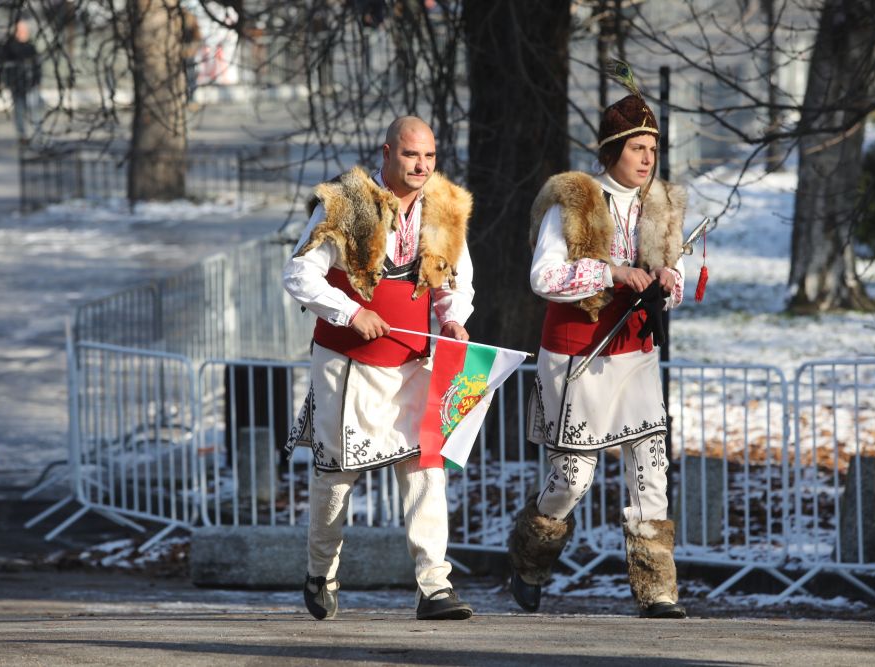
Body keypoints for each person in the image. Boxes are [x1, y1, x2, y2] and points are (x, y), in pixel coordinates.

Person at [507, 83, 689, 619]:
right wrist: (611, 272)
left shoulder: (661, 207)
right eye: (638, 148)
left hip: (636, 352)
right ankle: (529, 559)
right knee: (573, 478)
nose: (648, 159)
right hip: (579, 354)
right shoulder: (575, 202)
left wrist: (664, 279)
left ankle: (657, 590)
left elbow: (681, 283)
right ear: (612, 150)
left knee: (650, 469)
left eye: (653, 150)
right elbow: (543, 276)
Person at [283, 116, 475, 621]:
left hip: (415, 362)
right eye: (412, 155)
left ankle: (434, 587)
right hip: (347, 363)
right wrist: (351, 311)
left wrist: (453, 320)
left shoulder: (446, 208)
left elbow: (452, 282)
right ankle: (320, 572)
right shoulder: (346, 204)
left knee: (425, 469)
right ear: (387, 153)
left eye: (430, 157)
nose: (422, 166)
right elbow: (299, 273)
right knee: (336, 479)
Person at [0, 19, 42, 144]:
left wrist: (37, 81)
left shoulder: (31, 47)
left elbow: (37, 66)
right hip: (17, 84)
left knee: (35, 111)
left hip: (31, 84)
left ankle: (37, 135)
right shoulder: (9, 47)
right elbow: (4, 65)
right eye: (21, 30)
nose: (23, 33)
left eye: (25, 30)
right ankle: (22, 135)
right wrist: (7, 81)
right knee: (19, 110)